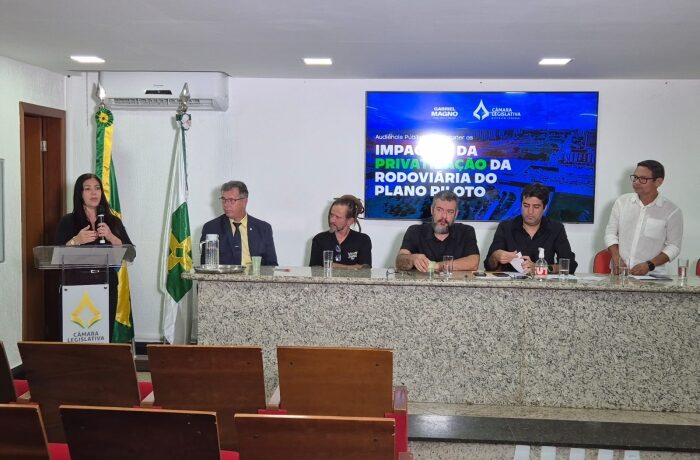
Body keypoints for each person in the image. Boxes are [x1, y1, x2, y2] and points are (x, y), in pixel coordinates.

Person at [55, 173, 134, 341]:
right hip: (75, 286)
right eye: (88, 189)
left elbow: (131, 254)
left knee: (102, 336)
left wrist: (112, 237)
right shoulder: (68, 221)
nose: (94, 193)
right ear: (80, 193)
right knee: (76, 336)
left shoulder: (113, 221)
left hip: (106, 286)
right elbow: (56, 256)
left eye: (97, 188)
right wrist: (76, 240)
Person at [604, 160, 683, 275]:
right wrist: (617, 258)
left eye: (643, 179)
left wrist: (649, 265)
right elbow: (610, 234)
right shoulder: (622, 202)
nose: (636, 182)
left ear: (658, 182)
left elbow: (674, 246)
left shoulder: (672, 211)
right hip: (620, 273)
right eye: (635, 177)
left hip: (653, 276)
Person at [485, 183, 577, 274]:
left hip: (543, 282)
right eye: (526, 206)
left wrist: (542, 268)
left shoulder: (556, 228)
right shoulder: (505, 227)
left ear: (544, 208)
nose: (530, 211)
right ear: (521, 205)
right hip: (512, 282)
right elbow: (488, 265)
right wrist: (495, 256)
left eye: (536, 207)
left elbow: (570, 265)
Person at [395, 190, 479, 272]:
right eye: (439, 210)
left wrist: (438, 266)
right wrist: (412, 259)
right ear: (432, 210)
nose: (444, 216)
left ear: (456, 214)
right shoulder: (415, 231)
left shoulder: (466, 231)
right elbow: (399, 262)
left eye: (450, 212)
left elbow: (474, 262)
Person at [200, 181, 277, 266]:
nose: (226, 204)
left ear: (244, 201)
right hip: (225, 275)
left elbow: (272, 265)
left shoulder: (263, 228)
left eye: (231, 200)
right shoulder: (211, 228)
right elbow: (206, 265)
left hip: (255, 274)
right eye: (224, 199)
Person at [309, 195, 372, 269]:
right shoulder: (319, 239)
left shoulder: (363, 240)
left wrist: (336, 266)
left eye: (338, 217)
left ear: (350, 221)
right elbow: (314, 270)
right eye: (331, 215)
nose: (332, 220)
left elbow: (365, 269)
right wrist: (354, 267)